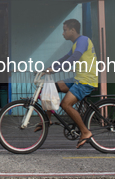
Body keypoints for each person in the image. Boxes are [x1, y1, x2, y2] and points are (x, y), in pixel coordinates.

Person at [39, 19, 98, 149]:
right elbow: (64, 59)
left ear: (72, 30)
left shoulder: (82, 40)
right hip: (78, 78)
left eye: (65, 30)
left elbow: (74, 58)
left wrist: (54, 70)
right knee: (51, 87)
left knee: (66, 104)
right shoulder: (76, 43)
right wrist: (48, 69)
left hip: (86, 80)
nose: (63, 33)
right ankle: (47, 120)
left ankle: (85, 132)